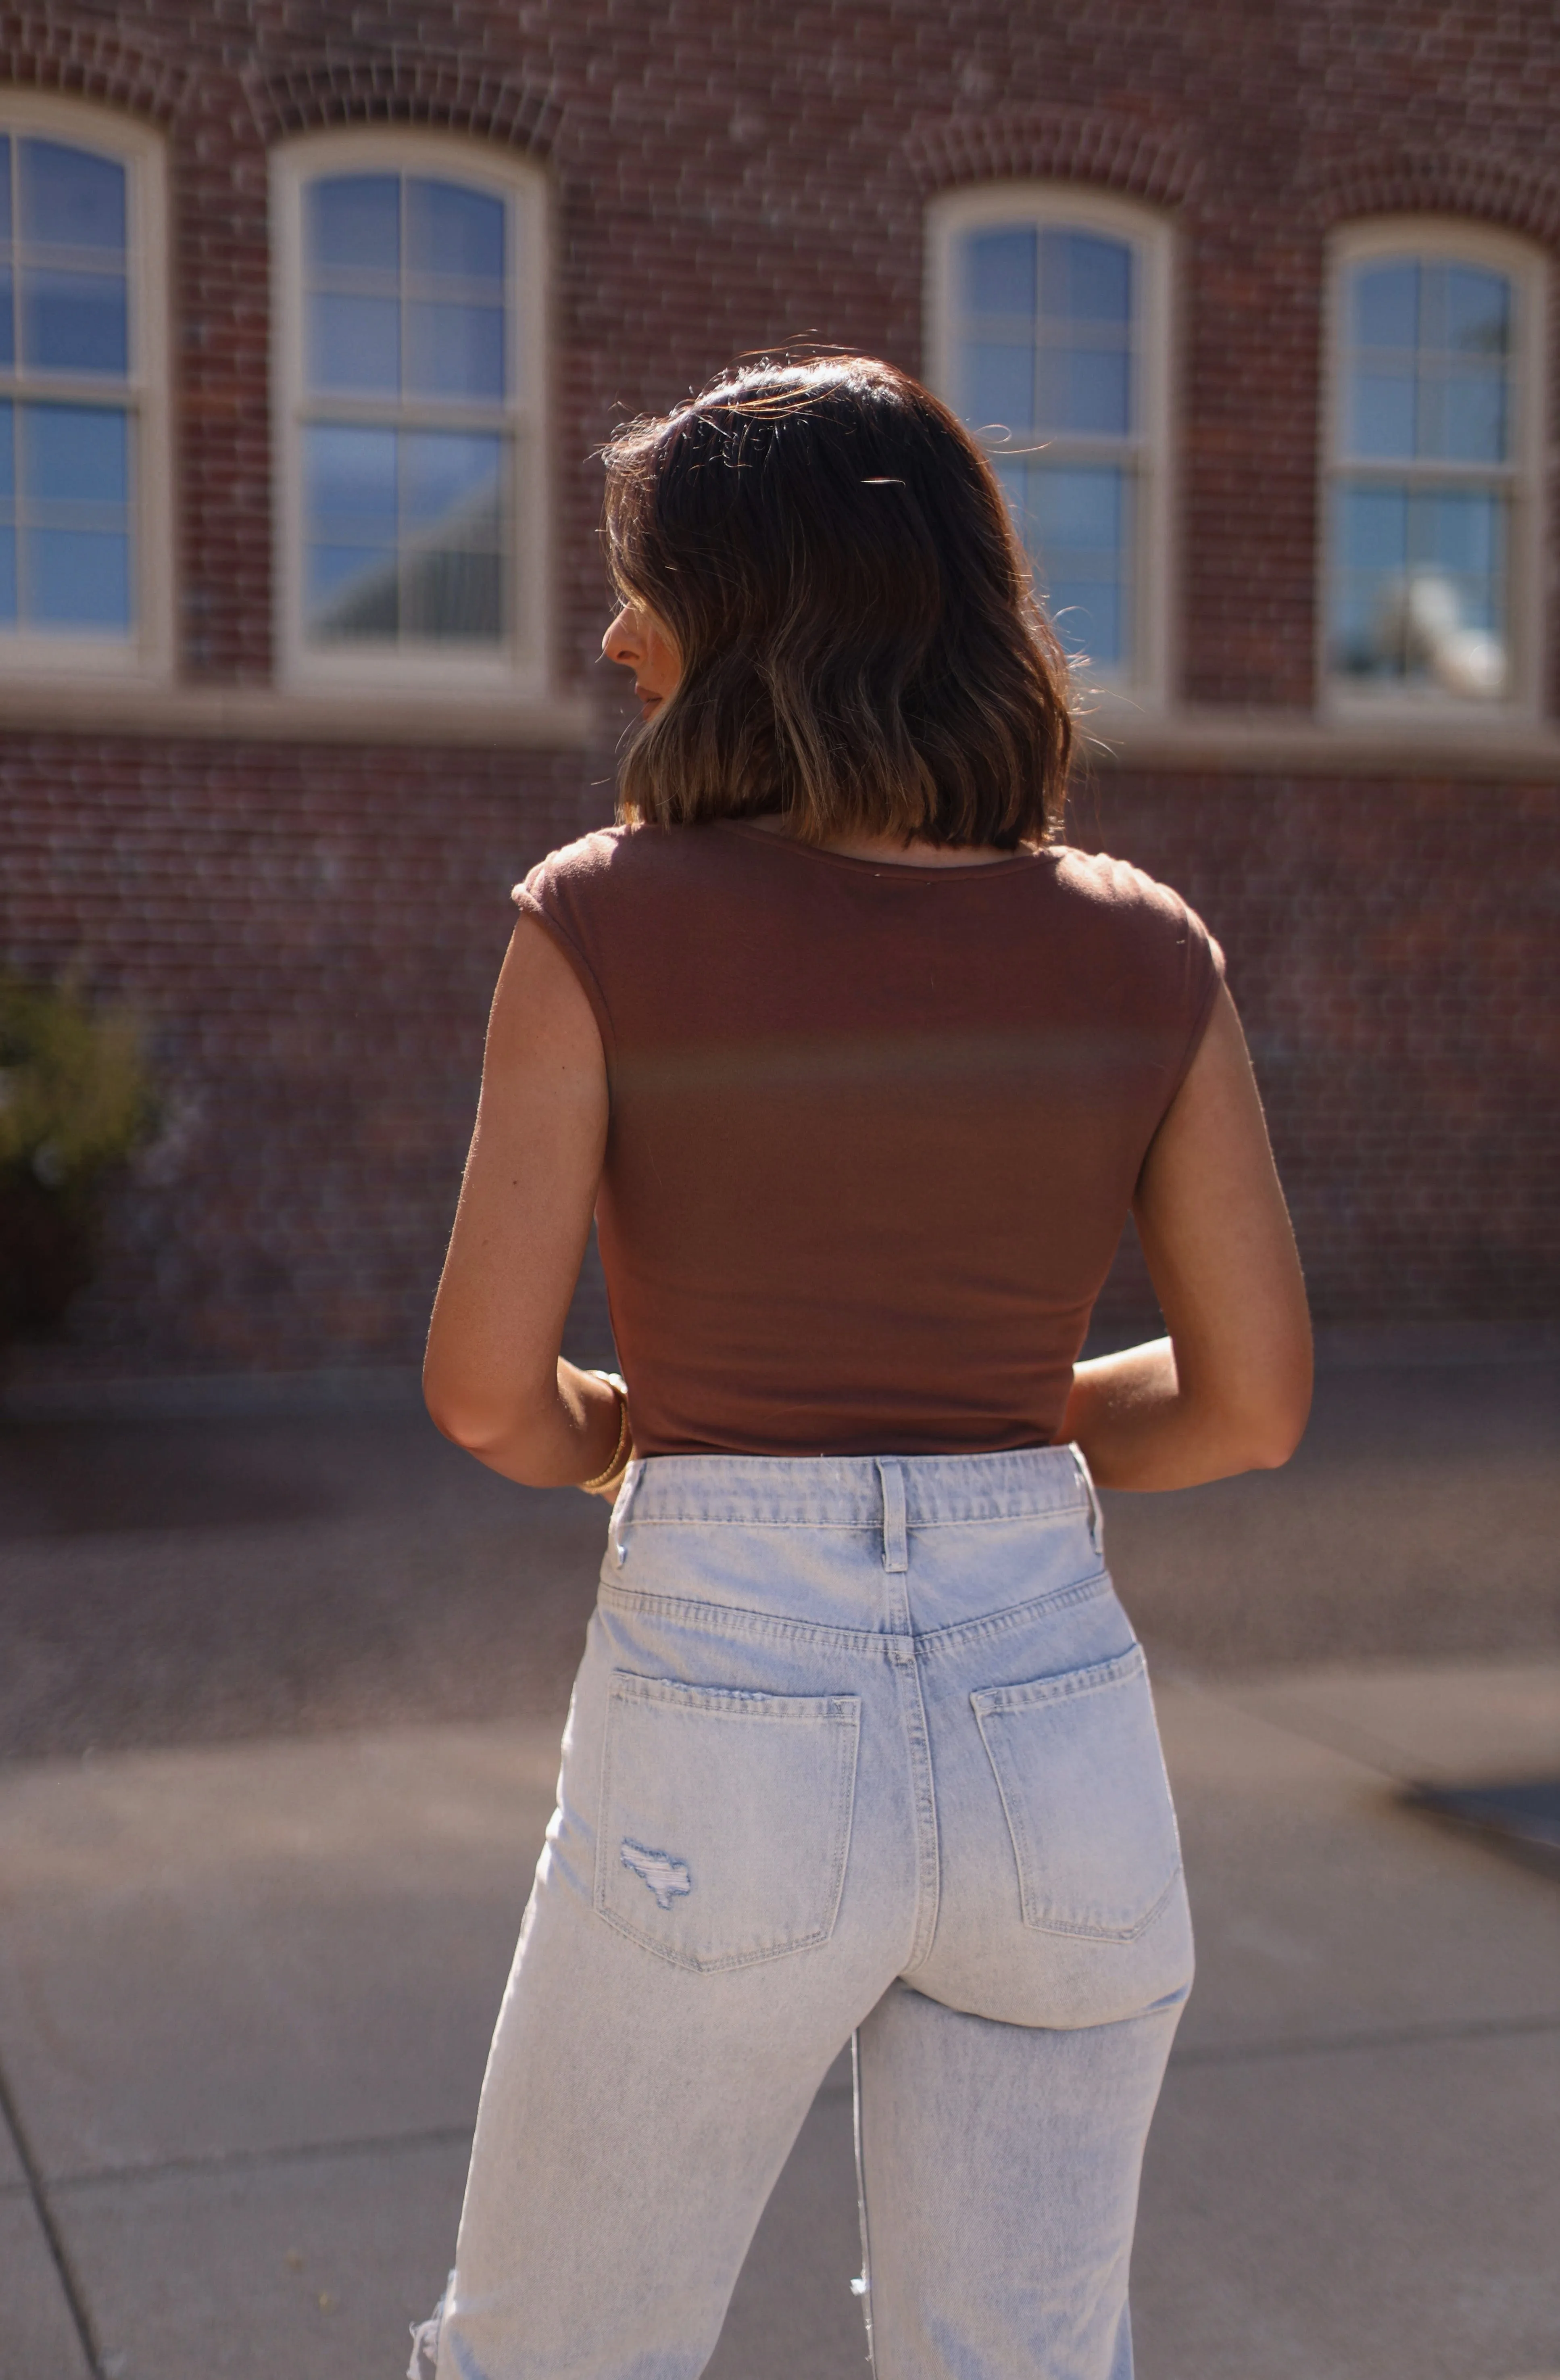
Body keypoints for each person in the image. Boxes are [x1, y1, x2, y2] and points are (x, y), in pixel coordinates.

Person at [417, 355, 1312, 2380]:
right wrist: (994, 1430)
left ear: (751, 613)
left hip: (725, 1718)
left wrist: (627, 1437)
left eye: (647, 585)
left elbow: (487, 1390)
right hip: (1058, 1737)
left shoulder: (595, 921)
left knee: (550, 2352)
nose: (615, 633)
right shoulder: (1146, 948)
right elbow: (1251, 1401)